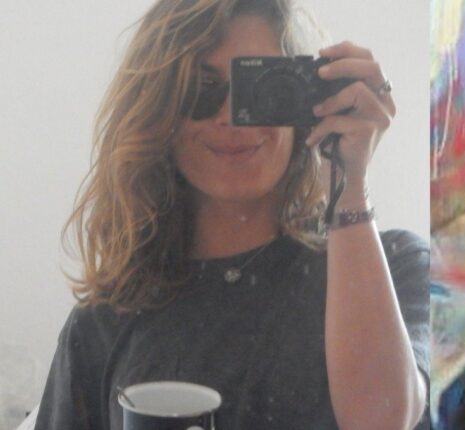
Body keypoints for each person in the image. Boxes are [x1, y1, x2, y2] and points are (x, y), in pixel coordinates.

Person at [34, 0, 428, 429]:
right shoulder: (107, 319)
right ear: (158, 110)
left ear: (304, 99)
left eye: (257, 89)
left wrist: (348, 189)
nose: (230, 119)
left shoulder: (393, 270)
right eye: (200, 90)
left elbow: (381, 420)